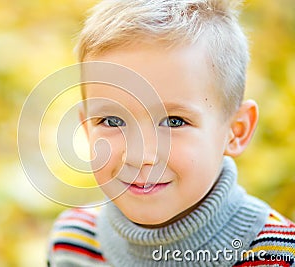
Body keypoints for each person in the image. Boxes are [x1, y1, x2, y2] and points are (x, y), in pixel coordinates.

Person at [46, 0, 295, 266]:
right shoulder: (74, 242)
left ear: (236, 131)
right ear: (87, 130)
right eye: (112, 120)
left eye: (174, 122)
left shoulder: (274, 256)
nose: (140, 156)